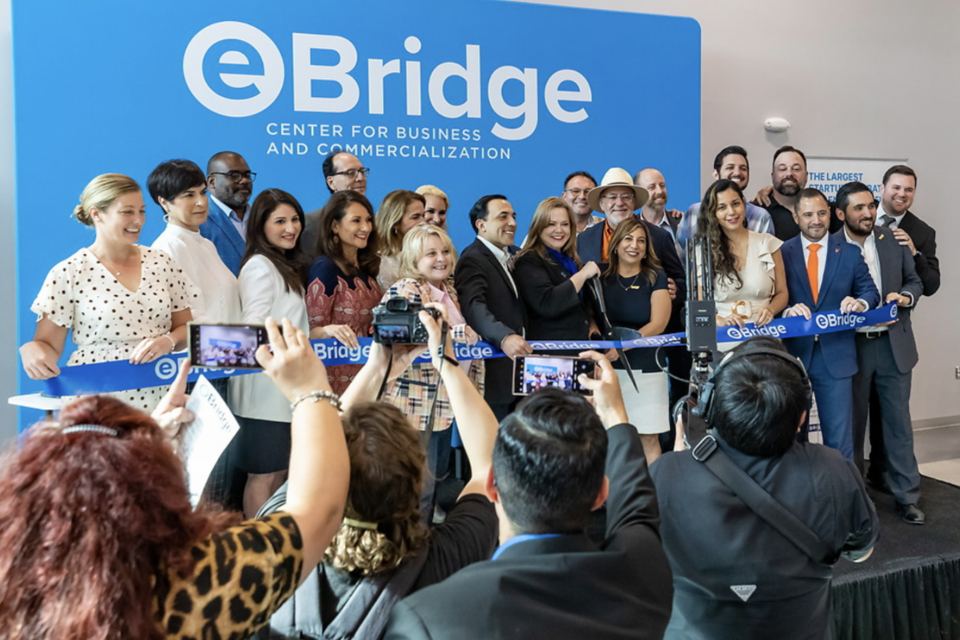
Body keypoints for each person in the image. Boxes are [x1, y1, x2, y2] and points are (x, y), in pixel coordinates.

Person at [0, 318, 350, 639]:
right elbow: (320, 512)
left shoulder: (13, 583)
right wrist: (310, 390)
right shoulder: (196, 582)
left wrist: (150, 444)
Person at [384, 351, 674, 640]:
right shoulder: (643, 574)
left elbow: (636, 510)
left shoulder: (427, 618)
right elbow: (637, 510)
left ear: (492, 486)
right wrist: (614, 415)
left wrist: (440, 359)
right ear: (601, 495)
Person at [259, 305, 499, 639]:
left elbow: (317, 461)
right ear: (417, 477)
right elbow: (488, 465)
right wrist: (447, 363)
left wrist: (376, 368)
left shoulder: (278, 544)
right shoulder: (442, 559)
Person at [650, 337, 879, 640]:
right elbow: (861, 553)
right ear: (801, 417)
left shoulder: (665, 474)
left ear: (710, 407)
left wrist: (678, 466)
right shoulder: (834, 469)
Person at [20, 173, 195, 412]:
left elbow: (185, 328)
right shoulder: (69, 272)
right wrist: (31, 349)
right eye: (127, 212)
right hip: (95, 399)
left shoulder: (162, 262)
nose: (139, 220)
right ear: (96, 214)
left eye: (142, 211)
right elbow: (47, 346)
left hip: (160, 393)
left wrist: (168, 341)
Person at [836, 182, 925, 524]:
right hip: (852, 346)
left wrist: (905, 296)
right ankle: (856, 498)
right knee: (853, 426)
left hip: (893, 345)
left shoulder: (892, 241)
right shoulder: (832, 247)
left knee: (898, 425)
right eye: (858, 208)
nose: (868, 213)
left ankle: (907, 496)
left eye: (871, 206)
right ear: (841, 214)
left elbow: (915, 281)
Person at [380, 224, 484, 511]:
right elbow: (393, 334)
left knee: (429, 489)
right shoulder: (406, 288)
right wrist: (457, 333)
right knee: (413, 491)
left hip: (440, 407)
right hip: (414, 408)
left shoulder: (448, 290)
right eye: (431, 254)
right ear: (414, 261)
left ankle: (422, 549)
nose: (442, 258)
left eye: (445, 251)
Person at [780, 188, 879, 459]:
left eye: (822, 213)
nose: (816, 220)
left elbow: (870, 291)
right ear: (795, 216)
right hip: (793, 358)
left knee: (840, 442)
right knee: (791, 439)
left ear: (830, 214)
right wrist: (787, 311)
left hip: (836, 358)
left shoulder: (848, 252)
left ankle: (845, 500)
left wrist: (861, 304)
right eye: (808, 214)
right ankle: (798, 499)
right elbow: (771, 298)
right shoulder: (781, 252)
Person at [229, 188, 309, 517]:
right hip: (262, 392)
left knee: (279, 474)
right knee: (263, 475)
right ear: (260, 226)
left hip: (282, 391)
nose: (290, 228)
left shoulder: (281, 265)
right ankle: (259, 546)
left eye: (294, 220)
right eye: (280, 221)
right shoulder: (260, 266)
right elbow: (253, 328)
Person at [598, 217, 670, 463]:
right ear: (616, 244)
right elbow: (591, 320)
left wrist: (622, 347)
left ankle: (654, 497)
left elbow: (658, 324)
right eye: (628, 239)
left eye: (641, 240)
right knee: (608, 440)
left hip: (648, 369)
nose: (634, 245)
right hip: (608, 372)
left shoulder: (655, 276)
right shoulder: (599, 277)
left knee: (648, 438)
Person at [455, 194, 532, 421]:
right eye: (503, 217)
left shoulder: (518, 255)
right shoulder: (472, 258)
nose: (513, 223)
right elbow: (473, 306)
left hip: (523, 375)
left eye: (513, 216)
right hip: (494, 377)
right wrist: (504, 337)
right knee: (490, 452)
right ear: (481, 225)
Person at [305, 191, 383, 394]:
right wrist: (329, 330)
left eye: (368, 220)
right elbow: (311, 332)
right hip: (333, 385)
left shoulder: (368, 268)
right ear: (335, 226)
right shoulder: (325, 267)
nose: (365, 227)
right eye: (356, 221)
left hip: (368, 380)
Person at [148, 159, 241, 327]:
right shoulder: (169, 247)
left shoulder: (206, 244)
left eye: (203, 192)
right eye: (189, 195)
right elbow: (190, 317)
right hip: (206, 350)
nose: (201, 202)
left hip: (231, 348)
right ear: (164, 202)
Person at [696, 179, 788, 343]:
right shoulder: (703, 251)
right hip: (721, 340)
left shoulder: (767, 243)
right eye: (722, 207)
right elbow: (699, 305)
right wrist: (720, 321)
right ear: (713, 213)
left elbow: (782, 293)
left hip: (764, 339)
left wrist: (771, 310)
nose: (731, 212)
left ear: (744, 204)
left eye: (735, 203)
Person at [578, 167, 685, 305]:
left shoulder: (659, 237)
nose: (619, 203)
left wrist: (676, 289)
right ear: (601, 204)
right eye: (612, 197)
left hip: (649, 321)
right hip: (599, 323)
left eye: (626, 197)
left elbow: (680, 279)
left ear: (634, 202)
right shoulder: (584, 239)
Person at [514, 197, 599, 341]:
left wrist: (591, 323)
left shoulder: (569, 260)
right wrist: (583, 274)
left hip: (578, 349)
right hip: (548, 355)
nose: (559, 230)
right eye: (551, 224)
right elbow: (548, 303)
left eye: (565, 224)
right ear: (538, 226)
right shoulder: (528, 260)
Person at [675, 145, 774, 258]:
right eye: (730, 167)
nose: (737, 172)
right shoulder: (694, 212)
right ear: (716, 174)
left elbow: (767, 261)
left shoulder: (761, 217)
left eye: (743, 168)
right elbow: (681, 257)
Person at [752, 145, 842, 241]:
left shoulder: (829, 211)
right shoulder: (756, 212)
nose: (789, 173)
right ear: (773, 175)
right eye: (782, 169)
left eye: (796, 169)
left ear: (806, 175)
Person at [877, 165, 939, 296]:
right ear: (882, 189)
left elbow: (931, 286)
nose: (902, 194)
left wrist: (915, 254)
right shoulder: (858, 213)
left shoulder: (923, 233)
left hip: (894, 310)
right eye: (896, 187)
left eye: (909, 190)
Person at [302, 151, 371, 262]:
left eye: (362, 172)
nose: (360, 178)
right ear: (331, 182)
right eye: (351, 173)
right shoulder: (312, 223)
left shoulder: (371, 220)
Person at [200, 151, 255, 275]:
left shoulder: (262, 218)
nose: (244, 181)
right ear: (212, 182)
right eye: (234, 175)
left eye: (247, 175)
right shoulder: (199, 222)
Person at [376, 190, 426, 291]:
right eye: (415, 217)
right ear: (395, 223)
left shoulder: (427, 253)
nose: (423, 222)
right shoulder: (381, 263)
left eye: (423, 216)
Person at [634, 167, 683, 245]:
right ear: (639, 194)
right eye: (652, 187)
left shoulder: (682, 223)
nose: (660, 191)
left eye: (662, 185)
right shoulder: (630, 227)